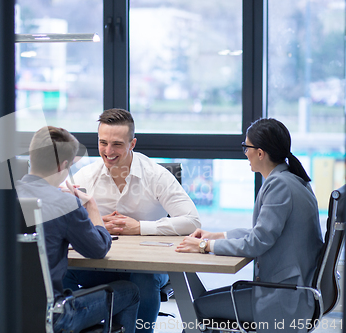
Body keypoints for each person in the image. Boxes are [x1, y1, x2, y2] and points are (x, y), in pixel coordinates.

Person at [176, 118, 323, 332]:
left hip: (282, 297)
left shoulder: (279, 185)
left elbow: (256, 243)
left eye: (246, 147)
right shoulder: (291, 179)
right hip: (289, 290)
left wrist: (204, 246)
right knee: (203, 301)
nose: (245, 153)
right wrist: (217, 236)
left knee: (197, 307)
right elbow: (263, 233)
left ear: (261, 153)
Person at [63, 108, 200, 332]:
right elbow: (62, 219)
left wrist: (139, 227)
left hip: (146, 265)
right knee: (60, 271)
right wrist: (95, 224)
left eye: (117, 144)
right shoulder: (86, 176)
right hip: (101, 262)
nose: (108, 151)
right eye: (103, 142)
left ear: (132, 144)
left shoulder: (156, 176)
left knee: (143, 280)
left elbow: (192, 221)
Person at [16, 126, 140, 333]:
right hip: (51, 318)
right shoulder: (64, 204)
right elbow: (98, 249)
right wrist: (91, 206)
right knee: (130, 291)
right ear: (62, 166)